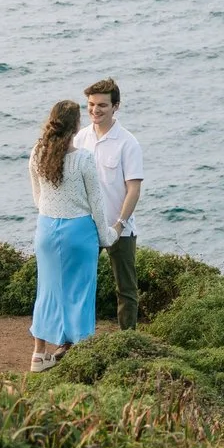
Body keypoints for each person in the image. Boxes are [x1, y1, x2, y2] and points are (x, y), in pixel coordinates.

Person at [26, 99, 106, 372]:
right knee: (80, 293)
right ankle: (79, 356)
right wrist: (107, 237)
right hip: (79, 232)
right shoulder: (83, 159)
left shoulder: (37, 154)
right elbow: (97, 205)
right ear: (76, 126)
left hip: (47, 230)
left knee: (47, 291)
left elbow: (38, 198)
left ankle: (39, 355)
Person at [74, 77, 144, 329]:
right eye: (91, 105)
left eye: (102, 105)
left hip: (120, 228)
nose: (95, 110)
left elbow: (133, 189)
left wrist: (119, 225)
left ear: (116, 106)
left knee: (125, 289)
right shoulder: (80, 139)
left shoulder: (128, 143)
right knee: (81, 285)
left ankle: (128, 341)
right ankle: (76, 340)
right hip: (87, 226)